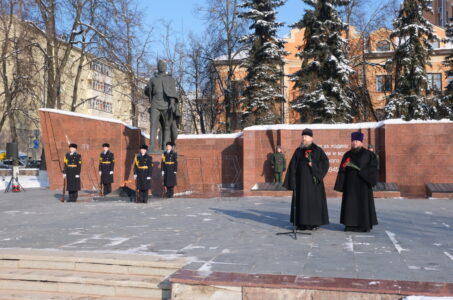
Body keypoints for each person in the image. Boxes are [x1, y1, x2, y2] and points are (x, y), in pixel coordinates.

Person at [283, 128, 330, 231]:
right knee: (301, 202)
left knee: (313, 202)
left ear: (311, 138)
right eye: (303, 136)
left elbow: (325, 164)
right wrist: (292, 181)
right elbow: (292, 166)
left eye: (306, 136)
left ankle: (313, 223)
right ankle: (301, 223)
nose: (304, 138)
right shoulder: (298, 151)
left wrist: (314, 166)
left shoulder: (318, 150)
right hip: (301, 184)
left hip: (314, 184)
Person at [334, 132, 378, 232]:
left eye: (357, 141)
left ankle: (363, 225)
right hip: (350, 184)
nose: (355, 143)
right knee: (350, 205)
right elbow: (342, 169)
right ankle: (350, 225)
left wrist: (363, 172)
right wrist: (341, 184)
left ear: (361, 142)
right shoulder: (347, 154)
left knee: (363, 204)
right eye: (353, 141)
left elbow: (373, 168)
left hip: (363, 184)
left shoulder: (368, 154)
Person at [145, 59, 179, 151]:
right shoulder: (152, 79)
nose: (161, 67)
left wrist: (172, 103)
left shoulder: (170, 79)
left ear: (165, 67)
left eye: (163, 65)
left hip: (166, 105)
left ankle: (165, 146)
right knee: (153, 125)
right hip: (155, 104)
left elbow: (172, 92)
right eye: (160, 65)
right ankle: (151, 145)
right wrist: (148, 89)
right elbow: (147, 92)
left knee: (167, 126)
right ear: (158, 67)